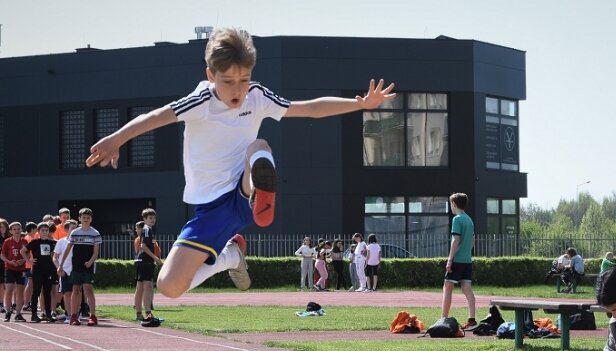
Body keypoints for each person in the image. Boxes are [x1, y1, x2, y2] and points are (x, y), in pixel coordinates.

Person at [85, 27, 395, 300]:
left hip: (246, 190)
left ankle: (260, 178)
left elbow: (308, 109)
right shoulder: (201, 101)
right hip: (210, 207)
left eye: (244, 79)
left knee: (258, 148)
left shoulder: (257, 96)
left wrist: (360, 104)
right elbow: (155, 117)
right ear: (211, 75)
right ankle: (230, 257)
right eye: (229, 81)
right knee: (169, 286)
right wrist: (118, 138)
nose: (238, 89)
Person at [57, 208, 101, 326]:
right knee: (75, 290)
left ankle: (92, 315)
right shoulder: (75, 232)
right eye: (83, 218)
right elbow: (67, 249)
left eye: (88, 218)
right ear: (79, 218)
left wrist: (91, 262)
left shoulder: (95, 233)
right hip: (76, 266)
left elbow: (96, 252)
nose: (86, 220)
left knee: (88, 290)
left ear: (91, 219)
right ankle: (73, 315)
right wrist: (60, 265)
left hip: (88, 266)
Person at [441, 192, 477, 329]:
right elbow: (473, 240)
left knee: (447, 287)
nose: (451, 206)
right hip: (467, 259)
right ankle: (472, 320)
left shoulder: (457, 219)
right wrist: (466, 250)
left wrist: (450, 259)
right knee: (467, 288)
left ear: (454, 204)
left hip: (457, 260)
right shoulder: (469, 220)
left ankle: (443, 318)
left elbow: (456, 239)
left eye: (451, 203)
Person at [20, 222, 58, 323]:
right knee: (36, 292)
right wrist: (29, 260)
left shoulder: (53, 243)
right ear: (39, 231)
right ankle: (34, 315)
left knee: (47, 293)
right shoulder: (34, 242)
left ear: (49, 231)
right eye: (42, 230)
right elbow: (22, 251)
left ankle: (48, 314)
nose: (45, 232)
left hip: (49, 270)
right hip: (37, 270)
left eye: (46, 230)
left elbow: (57, 255)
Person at [133, 209, 164, 324]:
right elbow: (144, 246)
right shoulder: (147, 230)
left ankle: (139, 313)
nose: (153, 220)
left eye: (154, 218)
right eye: (150, 218)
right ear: (144, 219)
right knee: (148, 287)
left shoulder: (147, 230)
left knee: (140, 288)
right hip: (146, 262)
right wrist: (155, 257)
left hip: (141, 261)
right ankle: (148, 314)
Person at [2, 222, 28, 322]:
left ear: (21, 230)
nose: (17, 231)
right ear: (11, 231)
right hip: (10, 268)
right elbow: (2, 255)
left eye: (18, 229)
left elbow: (28, 255)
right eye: (14, 229)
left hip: (21, 269)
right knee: (9, 289)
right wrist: (9, 262)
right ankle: (8, 311)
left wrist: (23, 260)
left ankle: (18, 313)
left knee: (20, 290)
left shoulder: (25, 241)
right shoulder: (7, 242)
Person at [52, 219, 76, 321]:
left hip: (76, 271)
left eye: (76, 228)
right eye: (72, 228)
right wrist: (59, 267)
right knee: (67, 293)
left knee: (77, 293)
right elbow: (54, 257)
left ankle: (76, 314)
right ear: (67, 229)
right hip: (65, 271)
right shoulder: (61, 242)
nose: (75, 230)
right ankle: (69, 315)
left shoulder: (80, 241)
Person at [0, 218, 9, 314]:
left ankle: (4, 303)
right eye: (0, 227)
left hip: (7, 264)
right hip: (0, 263)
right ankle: (1, 303)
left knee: (5, 285)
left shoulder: (8, 238)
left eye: (4, 226)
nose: (2, 228)